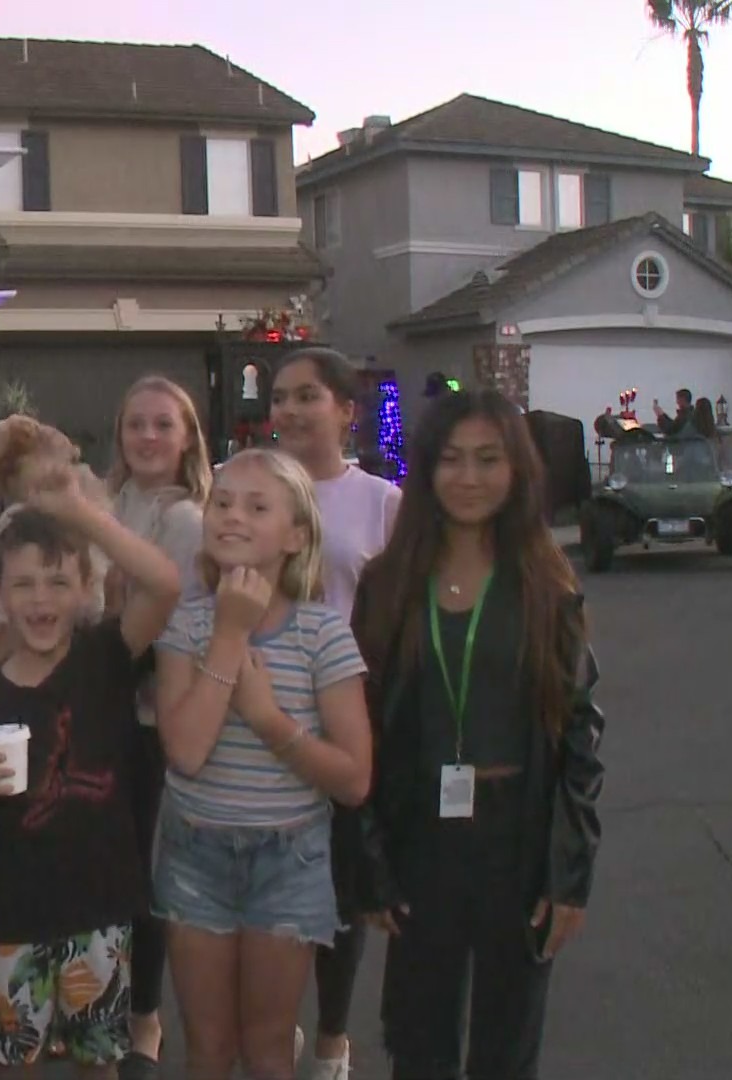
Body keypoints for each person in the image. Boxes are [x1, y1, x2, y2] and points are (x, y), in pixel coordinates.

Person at [351, 389, 604, 1080]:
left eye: (488, 460)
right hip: (421, 832)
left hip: (515, 834)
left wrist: (570, 872)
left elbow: (581, 732)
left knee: (507, 1041)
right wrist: (368, 858)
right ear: (427, 470)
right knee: (418, 1035)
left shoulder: (547, 584)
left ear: (516, 470)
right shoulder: (388, 584)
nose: (468, 478)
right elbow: (363, 724)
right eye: (452, 460)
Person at [0, 465, 182, 1078]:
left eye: (57, 582)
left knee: (97, 1066)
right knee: (8, 1066)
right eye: (23, 585)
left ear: (84, 591)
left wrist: (81, 514)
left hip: (103, 916)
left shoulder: (104, 658)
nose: (41, 599)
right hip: (15, 921)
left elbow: (164, 584)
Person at [151, 449, 373, 1080]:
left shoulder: (323, 633)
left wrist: (269, 719)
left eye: (256, 506)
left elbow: (354, 779)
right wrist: (230, 632)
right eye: (221, 502)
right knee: (211, 1049)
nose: (232, 517)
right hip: (196, 852)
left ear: (296, 534)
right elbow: (187, 752)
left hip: (290, 858)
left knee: (269, 1049)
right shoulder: (187, 626)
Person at [269, 347, 403, 1080]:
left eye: (307, 397)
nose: (288, 410)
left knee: (343, 890)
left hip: (348, 719)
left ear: (346, 412)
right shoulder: (250, 488)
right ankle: (278, 1023)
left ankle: (331, 1042)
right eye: (281, 397)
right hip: (260, 716)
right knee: (273, 882)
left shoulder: (382, 503)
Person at [101, 375, 212, 1080]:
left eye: (162, 425)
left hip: (148, 717)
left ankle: (146, 1014)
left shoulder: (186, 519)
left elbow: (152, 617)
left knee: (147, 873)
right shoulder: (108, 503)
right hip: (95, 708)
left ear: (186, 439)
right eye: (135, 424)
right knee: (103, 870)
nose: (146, 437)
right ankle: (103, 1003)